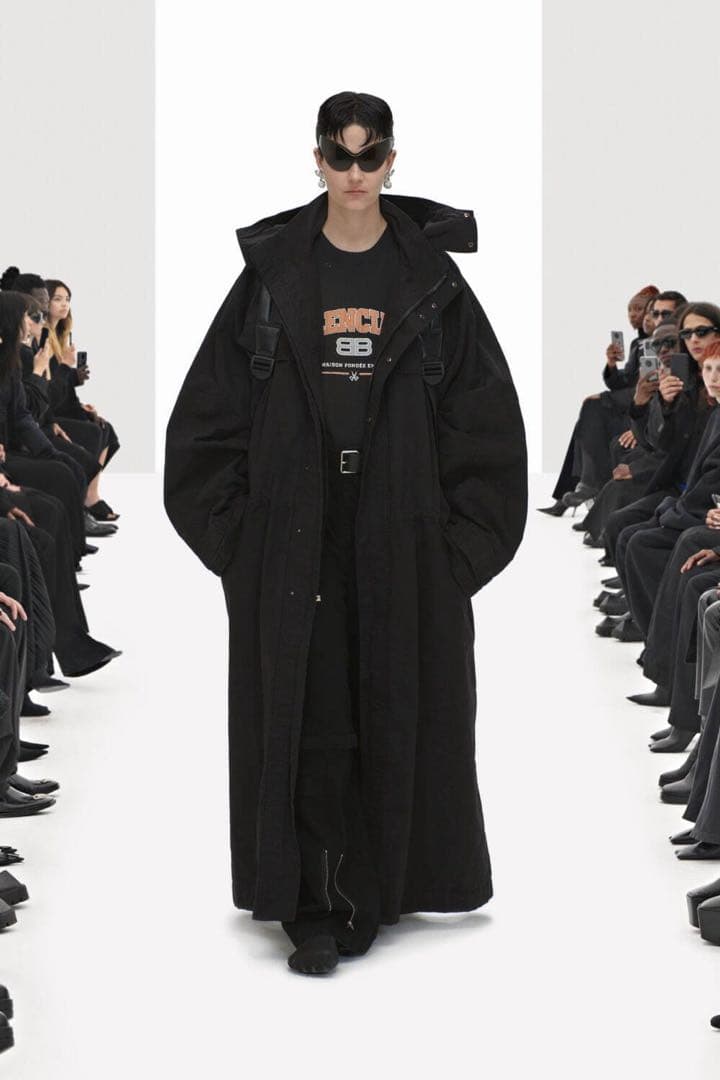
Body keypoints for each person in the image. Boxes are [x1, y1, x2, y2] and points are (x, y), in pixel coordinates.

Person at [164, 91, 527, 975]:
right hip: (295, 535)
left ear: (393, 160)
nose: (355, 173)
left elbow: (487, 432)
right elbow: (205, 427)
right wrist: (241, 548)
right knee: (308, 715)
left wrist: (455, 558)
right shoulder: (272, 279)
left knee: (395, 708)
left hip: (402, 536)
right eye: (340, 154)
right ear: (317, 159)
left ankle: (380, 886)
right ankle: (317, 904)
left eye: (370, 156)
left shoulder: (433, 284)